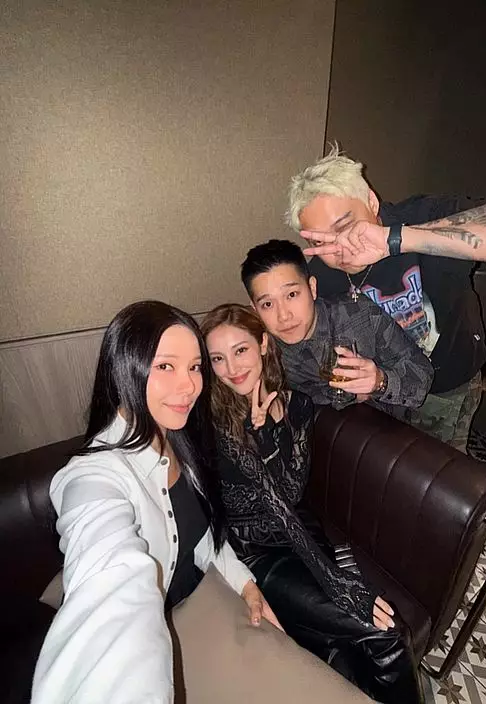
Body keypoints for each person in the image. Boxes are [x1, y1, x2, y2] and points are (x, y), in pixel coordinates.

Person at [32, 300, 280, 704]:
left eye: (195, 367)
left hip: (201, 597)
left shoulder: (177, 434)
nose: (189, 386)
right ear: (124, 368)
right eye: (165, 366)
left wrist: (246, 583)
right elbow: (112, 594)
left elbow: (201, 535)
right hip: (163, 630)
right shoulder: (93, 476)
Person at [201, 302, 423, 704]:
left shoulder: (298, 405)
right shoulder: (217, 421)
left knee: (342, 647)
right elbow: (275, 510)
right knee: (387, 634)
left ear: (263, 344)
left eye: (240, 350)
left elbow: (291, 494)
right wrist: (336, 581)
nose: (231, 368)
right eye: (217, 358)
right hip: (258, 553)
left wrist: (271, 435)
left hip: (301, 532)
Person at [287, 146, 486, 451]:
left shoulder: (424, 215)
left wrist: (396, 239)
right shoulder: (318, 275)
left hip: (449, 384)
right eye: (320, 241)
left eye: (344, 227)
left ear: (371, 201)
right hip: (383, 395)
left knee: (441, 469)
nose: (339, 248)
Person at [240, 238, 433, 414]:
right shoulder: (266, 351)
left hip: (406, 423)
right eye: (268, 304)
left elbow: (423, 375)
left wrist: (380, 381)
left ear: (312, 288)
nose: (283, 316)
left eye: (291, 295)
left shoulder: (360, 315)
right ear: (255, 309)